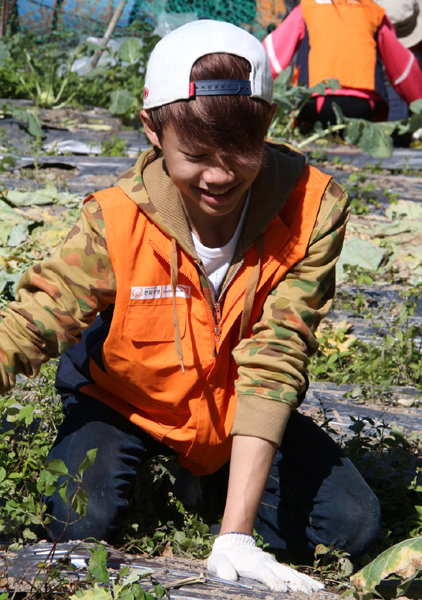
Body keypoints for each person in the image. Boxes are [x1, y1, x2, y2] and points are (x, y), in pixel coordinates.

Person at [0, 19, 381, 593]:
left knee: (352, 528)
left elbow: (276, 356)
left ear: (269, 126)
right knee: (78, 521)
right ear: (152, 130)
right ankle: (168, 469)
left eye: (240, 153)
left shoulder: (312, 209)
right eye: (197, 155)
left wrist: (235, 535)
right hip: (126, 400)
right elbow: (33, 320)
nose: (220, 175)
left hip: (233, 415)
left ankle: (213, 493)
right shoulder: (117, 218)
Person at [263, 0, 422, 127]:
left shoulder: (306, 7)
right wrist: (418, 102)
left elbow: (272, 55)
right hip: (365, 105)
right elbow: (403, 69)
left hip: (316, 102)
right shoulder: (373, 10)